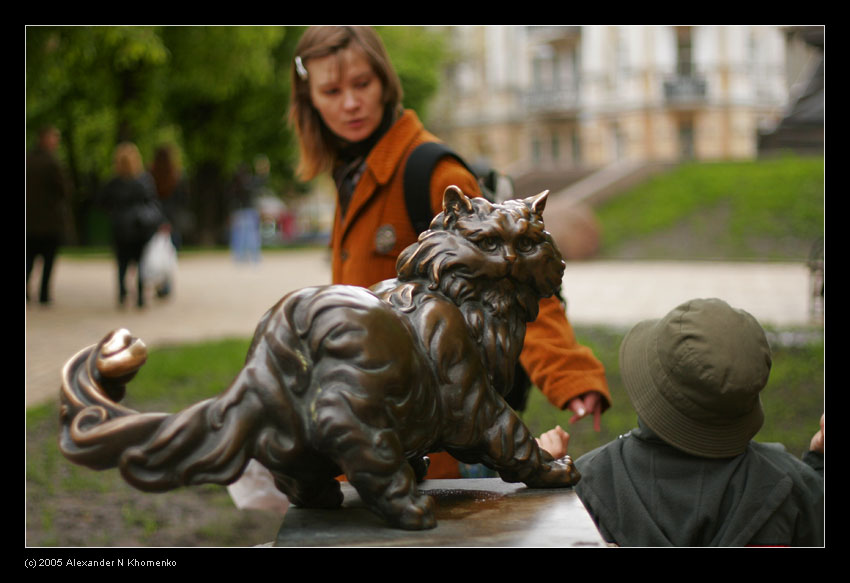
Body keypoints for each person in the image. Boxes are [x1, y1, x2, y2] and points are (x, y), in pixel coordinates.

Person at [289, 26, 611, 478]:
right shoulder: (352, 170)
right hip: (375, 421)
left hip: (437, 447)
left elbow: (512, 277)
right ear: (310, 99)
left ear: (384, 81)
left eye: (362, 84)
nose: (349, 102)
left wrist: (570, 375)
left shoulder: (429, 169)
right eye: (331, 89)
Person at [572, 298, 824, 547]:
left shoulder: (590, 482)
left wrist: (544, 486)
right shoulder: (791, 486)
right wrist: (818, 465)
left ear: (652, 391)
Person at [98, 142, 167, 308]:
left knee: (122, 263)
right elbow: (152, 201)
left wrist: (115, 212)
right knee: (141, 262)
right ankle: (141, 297)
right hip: (140, 226)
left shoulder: (114, 182)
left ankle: (122, 293)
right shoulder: (144, 180)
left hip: (121, 227)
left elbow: (102, 202)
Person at [26, 125, 71, 306]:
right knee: (48, 258)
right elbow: (64, 190)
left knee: (29, 257)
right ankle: (44, 293)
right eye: (54, 137)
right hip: (50, 221)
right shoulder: (52, 163)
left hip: (29, 219)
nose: (56, 142)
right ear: (44, 139)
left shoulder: (27, 159)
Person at [149, 144, 190, 297]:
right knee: (169, 254)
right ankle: (166, 284)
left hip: (155, 219)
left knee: (156, 252)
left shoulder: (150, 175)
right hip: (172, 220)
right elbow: (184, 199)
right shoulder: (176, 175)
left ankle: (159, 284)